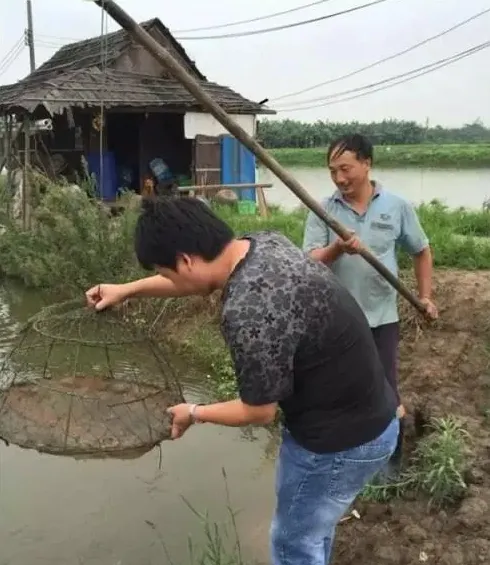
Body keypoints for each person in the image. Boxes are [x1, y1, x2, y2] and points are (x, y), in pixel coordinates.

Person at [86, 196, 399, 565]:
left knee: (292, 544)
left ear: (186, 259)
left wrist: (193, 411)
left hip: (336, 445)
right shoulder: (261, 243)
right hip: (376, 419)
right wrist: (128, 289)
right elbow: (191, 281)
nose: (170, 280)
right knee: (315, 528)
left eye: (167, 272)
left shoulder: (248, 310)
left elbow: (259, 411)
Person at [302, 133, 438, 479]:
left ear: (367, 163)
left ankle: (392, 459)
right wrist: (337, 249)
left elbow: (421, 250)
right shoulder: (324, 210)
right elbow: (309, 262)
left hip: (381, 317)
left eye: (345, 168)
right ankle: (347, 456)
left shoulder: (396, 207)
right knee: (341, 389)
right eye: (333, 171)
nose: (339, 178)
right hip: (336, 320)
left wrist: (425, 296)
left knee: (385, 389)